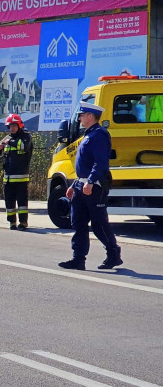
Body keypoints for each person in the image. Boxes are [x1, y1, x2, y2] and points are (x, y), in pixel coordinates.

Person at [59, 102, 121, 271]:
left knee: (99, 225)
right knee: (78, 222)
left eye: (82, 115)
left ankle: (113, 254)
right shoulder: (88, 134)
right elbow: (84, 165)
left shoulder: (99, 135)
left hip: (94, 186)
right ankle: (78, 259)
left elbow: (100, 162)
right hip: (82, 184)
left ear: (91, 117)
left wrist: (91, 181)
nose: (80, 118)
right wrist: (75, 184)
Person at [0, 113, 32, 230]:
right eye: (10, 126)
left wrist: (8, 142)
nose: (12, 128)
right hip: (8, 177)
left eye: (14, 126)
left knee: (22, 202)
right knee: (9, 202)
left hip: (21, 177)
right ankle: (12, 223)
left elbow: (22, 147)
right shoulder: (7, 138)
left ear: (19, 125)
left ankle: (23, 223)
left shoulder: (26, 137)